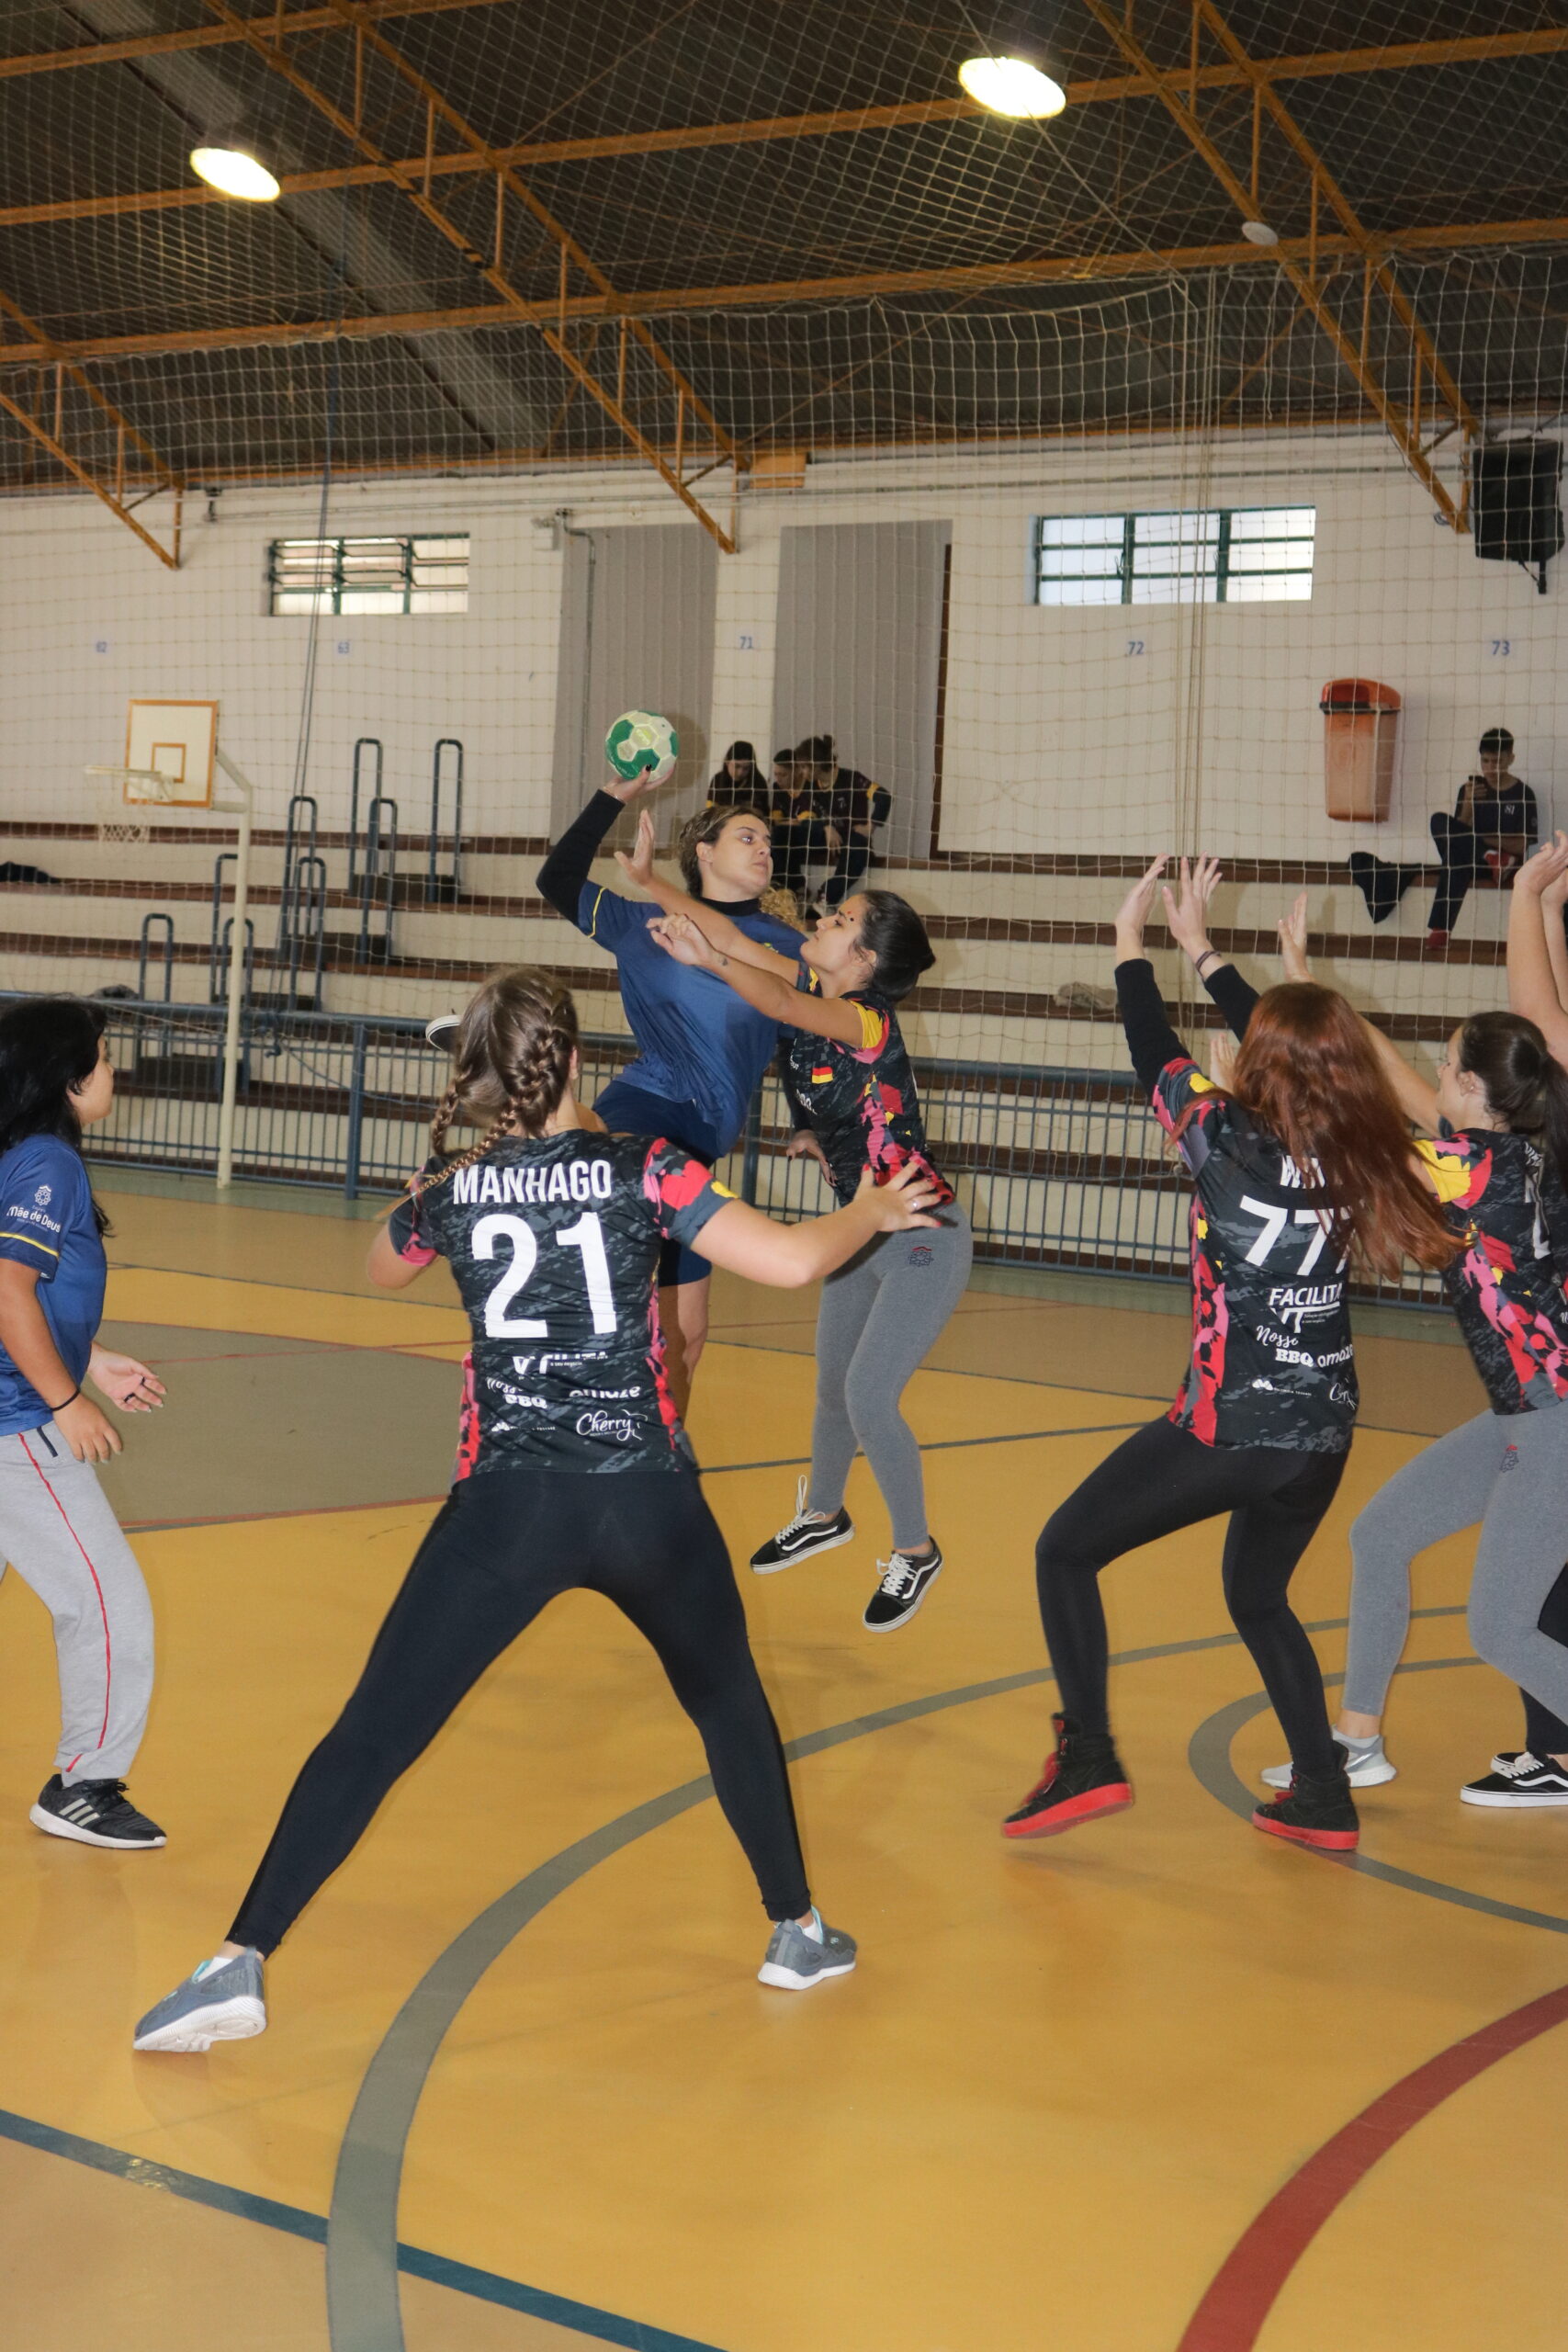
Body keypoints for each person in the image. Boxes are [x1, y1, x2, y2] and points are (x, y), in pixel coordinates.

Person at [132, 968, 945, 2052]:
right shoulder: (647, 1165)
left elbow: (380, 1267)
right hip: (645, 1499)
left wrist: (446, 1173)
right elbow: (794, 1261)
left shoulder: (456, 1186)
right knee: (727, 1700)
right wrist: (873, 1207)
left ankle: (238, 1959)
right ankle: (796, 1930)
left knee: (373, 1733)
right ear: (573, 1059)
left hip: (507, 1507)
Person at [1003, 858, 1457, 1854]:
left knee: (1063, 1550)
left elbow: (1148, 1042)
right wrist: (1205, 950)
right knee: (1256, 1596)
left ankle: (1087, 1756)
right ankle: (1323, 1794)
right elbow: (1307, 1058)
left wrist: (1133, 942)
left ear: (1260, 1065)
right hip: (1322, 1431)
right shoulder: (1370, 1145)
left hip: (1231, 1425)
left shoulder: (1217, 1134)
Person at [1258, 887, 1568, 1806]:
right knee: (1382, 1532)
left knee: (1499, 1629)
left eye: (1448, 1059)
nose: (1434, 1067)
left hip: (1553, 1423)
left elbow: (1361, 1124)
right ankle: (1356, 1741)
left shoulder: (1466, 1168)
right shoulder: (1505, 1150)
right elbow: (1391, 1081)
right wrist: (1312, 987)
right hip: (1523, 1415)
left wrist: (1306, 1039)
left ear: (1470, 1086)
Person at [647, 888, 968, 1633]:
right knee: (830, 1389)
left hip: (922, 1229)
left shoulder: (863, 1016)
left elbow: (776, 1001)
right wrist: (654, 883)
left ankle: (915, 1550)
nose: (822, 921)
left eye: (841, 921)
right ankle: (824, 1514)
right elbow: (737, 938)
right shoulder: (810, 991)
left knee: (867, 1395)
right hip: (858, 1230)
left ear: (864, 959)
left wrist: (709, 960)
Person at [444, 769, 807, 1416]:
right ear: (703, 852)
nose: (764, 850)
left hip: (708, 1136)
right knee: (610, 1147)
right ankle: (524, 1095)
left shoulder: (789, 947)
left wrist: (806, 1119)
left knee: (687, 1338)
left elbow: (797, 1037)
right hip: (650, 1100)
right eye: (747, 837)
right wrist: (611, 798)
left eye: (768, 843)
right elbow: (556, 879)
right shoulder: (642, 922)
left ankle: (665, 1451)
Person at [0, 999, 168, 1850]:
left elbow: (29, 1292)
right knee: (106, 1603)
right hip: (16, 1422)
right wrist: (66, 1401)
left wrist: (91, 1358)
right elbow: (7, 1292)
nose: (113, 1071)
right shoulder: (48, 1164)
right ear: (67, 1077)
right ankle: (85, 1786)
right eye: (103, 1058)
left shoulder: (21, 1154)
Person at [1348, 727, 1538, 952]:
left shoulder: (1523, 794)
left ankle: (1441, 928)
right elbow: (1453, 834)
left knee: (1455, 857)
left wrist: (1482, 840)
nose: (1490, 768)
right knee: (1439, 821)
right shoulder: (1469, 790)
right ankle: (1491, 856)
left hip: (1505, 869)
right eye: (1485, 761)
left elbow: (1521, 845)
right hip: (1473, 861)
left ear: (1510, 759)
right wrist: (1468, 806)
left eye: (1497, 761)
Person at [793, 735, 892, 910]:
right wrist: (826, 827)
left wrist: (870, 827)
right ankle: (794, 890)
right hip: (825, 838)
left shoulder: (852, 779)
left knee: (859, 848)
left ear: (816, 764)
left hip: (850, 839)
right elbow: (804, 818)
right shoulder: (809, 785)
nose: (801, 772)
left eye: (803, 767)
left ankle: (826, 897)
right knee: (784, 834)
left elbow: (883, 797)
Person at [705, 741, 763, 811]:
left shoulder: (759, 783)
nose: (740, 773)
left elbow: (762, 813)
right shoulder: (717, 780)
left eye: (746, 768)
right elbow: (710, 811)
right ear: (727, 762)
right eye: (736, 766)